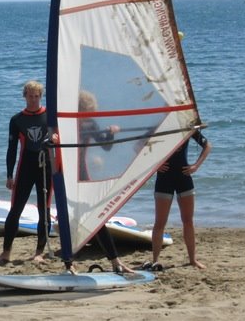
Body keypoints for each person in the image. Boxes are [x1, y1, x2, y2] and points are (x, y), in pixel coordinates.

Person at [0, 80, 53, 264]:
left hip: (46, 167)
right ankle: (6, 253)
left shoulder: (50, 116)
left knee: (45, 210)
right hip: (25, 167)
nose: (33, 100)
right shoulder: (17, 120)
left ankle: (39, 252)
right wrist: (9, 174)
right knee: (15, 209)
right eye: (30, 96)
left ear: (40, 96)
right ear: (24, 96)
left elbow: (61, 139)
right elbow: (11, 149)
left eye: (36, 96)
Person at [74, 90, 134, 274]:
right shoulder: (66, 124)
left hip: (82, 175)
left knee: (96, 216)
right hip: (64, 175)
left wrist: (110, 133)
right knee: (71, 217)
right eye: (87, 111)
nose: (90, 115)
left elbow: (106, 147)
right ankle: (69, 261)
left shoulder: (91, 123)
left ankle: (115, 260)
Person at [146, 129, 212, 271]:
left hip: (184, 177)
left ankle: (193, 260)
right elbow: (140, 146)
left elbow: (207, 146)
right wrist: (154, 164)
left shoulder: (187, 129)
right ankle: (155, 260)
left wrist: (196, 166)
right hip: (164, 179)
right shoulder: (159, 128)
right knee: (160, 222)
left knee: (188, 221)